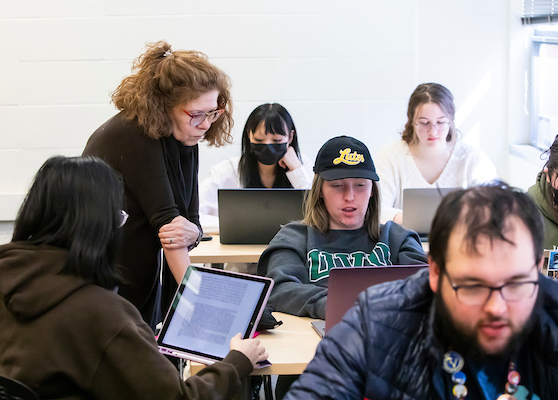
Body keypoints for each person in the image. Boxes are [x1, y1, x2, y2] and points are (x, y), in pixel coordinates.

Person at [284, 183, 558, 399]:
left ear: (537, 268)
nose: (497, 308)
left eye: (517, 284)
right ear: (435, 272)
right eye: (473, 286)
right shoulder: (378, 321)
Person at [0, 156, 268, 400]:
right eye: (119, 217)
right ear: (99, 227)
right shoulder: (101, 313)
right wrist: (237, 361)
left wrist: (135, 343)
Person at [83, 41, 233, 326]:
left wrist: (196, 232)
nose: (206, 124)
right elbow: (170, 228)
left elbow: (189, 222)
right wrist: (202, 309)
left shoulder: (183, 134)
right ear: (165, 106)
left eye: (212, 113)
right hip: (103, 277)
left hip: (137, 270)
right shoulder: (132, 134)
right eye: (197, 114)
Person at [257, 135, 427, 320]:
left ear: (372, 190)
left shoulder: (397, 238)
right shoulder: (293, 237)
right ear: (320, 190)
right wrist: (337, 306)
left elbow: (428, 286)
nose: (350, 196)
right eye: (337, 186)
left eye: (360, 185)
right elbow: (279, 289)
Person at [375, 82, 497, 224]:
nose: (432, 131)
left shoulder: (472, 159)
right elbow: (376, 208)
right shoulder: (390, 156)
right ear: (411, 122)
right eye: (424, 123)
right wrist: (416, 222)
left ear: (451, 121)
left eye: (440, 122)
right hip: (404, 242)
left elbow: (494, 204)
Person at [198, 103, 313, 234]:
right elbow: (194, 217)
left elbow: (317, 214)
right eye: (259, 140)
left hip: (289, 244)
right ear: (249, 135)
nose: (268, 145)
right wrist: (234, 226)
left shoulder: (302, 165)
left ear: (290, 137)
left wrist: (296, 170)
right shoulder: (227, 170)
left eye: (276, 140)